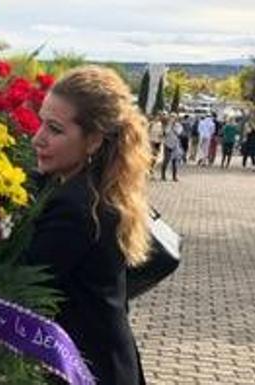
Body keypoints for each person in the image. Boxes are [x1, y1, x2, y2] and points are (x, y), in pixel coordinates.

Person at [27, 66, 149, 384]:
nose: (37, 138)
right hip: (107, 362)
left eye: (54, 129)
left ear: (93, 140)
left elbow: (20, 284)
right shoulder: (92, 188)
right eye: (41, 122)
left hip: (86, 370)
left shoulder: (76, 205)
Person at [161, 113, 183, 181]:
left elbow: (178, 132)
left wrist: (173, 127)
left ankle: (174, 176)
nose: (172, 118)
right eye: (171, 117)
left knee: (175, 161)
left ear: (176, 118)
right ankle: (163, 176)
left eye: (173, 117)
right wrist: (169, 125)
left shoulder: (178, 125)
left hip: (175, 145)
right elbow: (166, 132)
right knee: (166, 160)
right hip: (167, 144)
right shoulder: (167, 125)